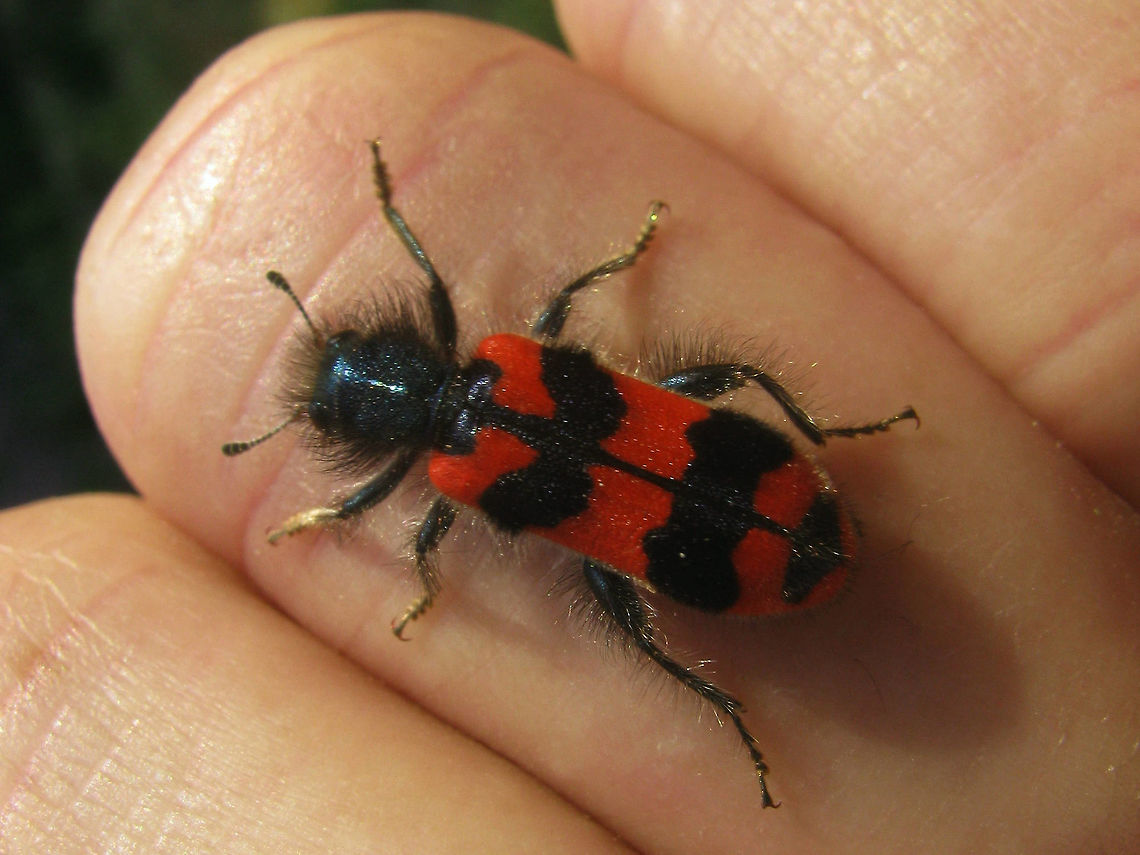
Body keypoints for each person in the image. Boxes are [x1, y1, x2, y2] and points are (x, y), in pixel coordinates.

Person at [4, 3, 1137, 851]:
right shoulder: (504, 368)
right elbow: (492, 289)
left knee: (637, 628)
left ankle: (736, 700)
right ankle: (815, 476)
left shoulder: (457, 471)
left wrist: (411, 579)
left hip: (745, 532)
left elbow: (424, 532)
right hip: (754, 511)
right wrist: (595, 256)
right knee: (720, 398)